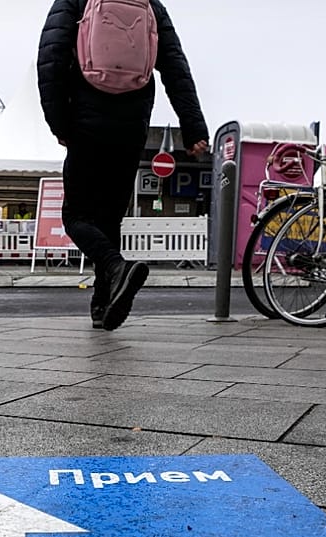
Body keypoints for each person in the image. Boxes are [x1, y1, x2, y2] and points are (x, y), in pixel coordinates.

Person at [38, 0, 208, 330]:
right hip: (131, 125)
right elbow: (175, 66)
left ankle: (117, 267)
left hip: (86, 119)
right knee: (110, 218)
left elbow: (51, 59)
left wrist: (59, 124)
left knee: (76, 216)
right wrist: (194, 127)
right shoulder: (150, 4)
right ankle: (103, 303)